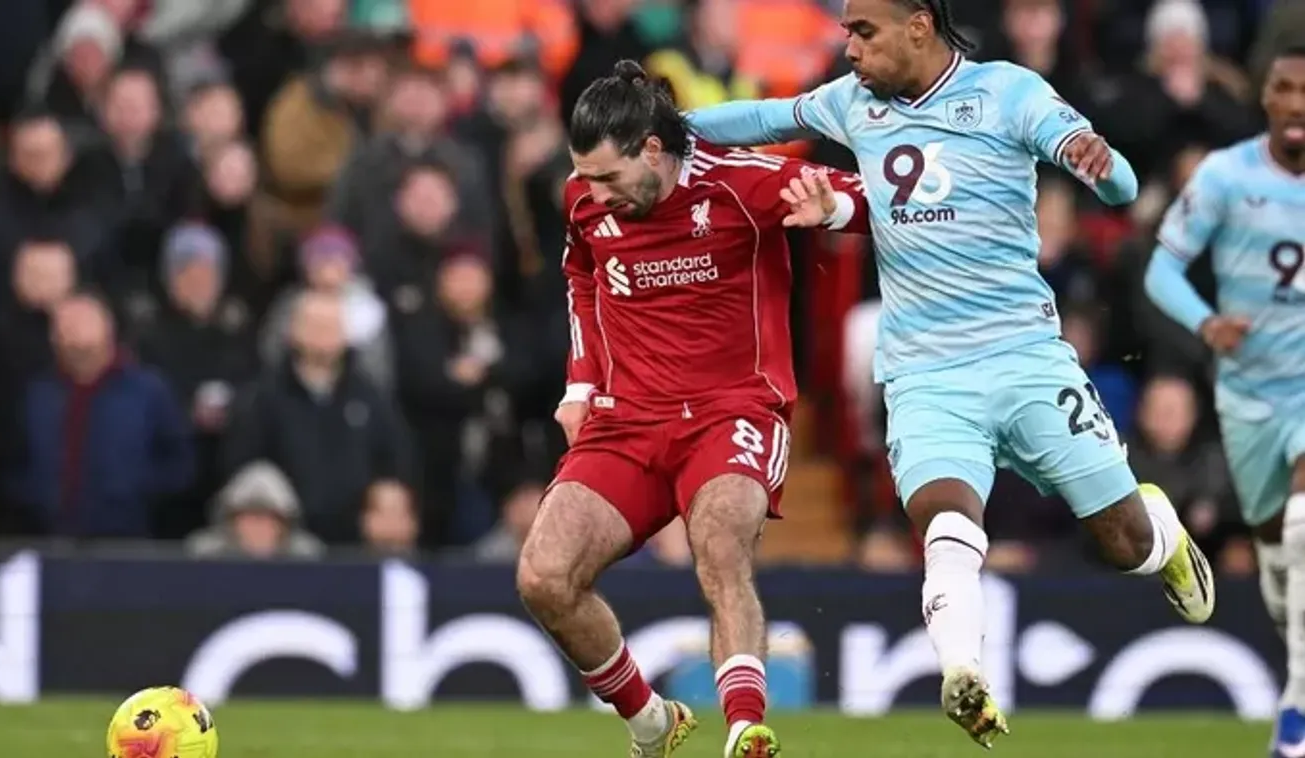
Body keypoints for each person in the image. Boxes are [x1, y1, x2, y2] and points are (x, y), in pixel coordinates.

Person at [685, 0, 1215, 748]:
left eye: (863, 32)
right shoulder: (852, 102)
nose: (850, 50)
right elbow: (764, 120)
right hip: (926, 373)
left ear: (918, 25)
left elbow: (1121, 187)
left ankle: (1162, 538)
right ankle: (963, 671)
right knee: (943, 518)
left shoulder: (1010, 92)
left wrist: (1098, 163)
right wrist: (664, 128)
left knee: (1123, 541)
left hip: (1025, 358)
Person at [514, 60, 870, 758]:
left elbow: (873, 198)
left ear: (652, 149)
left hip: (731, 411)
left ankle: (744, 728)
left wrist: (833, 209)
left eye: (607, 177)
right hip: (625, 419)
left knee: (719, 543)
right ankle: (652, 724)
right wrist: (580, 384)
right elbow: (581, 275)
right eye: (585, 177)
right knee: (543, 579)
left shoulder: (742, 182)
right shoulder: (584, 199)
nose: (594, 193)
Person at [1143, 46, 1305, 758]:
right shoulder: (1225, 176)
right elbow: (1161, 269)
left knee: (1302, 526)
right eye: (1284, 88)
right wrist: (1206, 323)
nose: (1296, 103)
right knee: (1279, 564)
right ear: (1265, 98)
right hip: (1247, 396)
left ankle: (1295, 712)